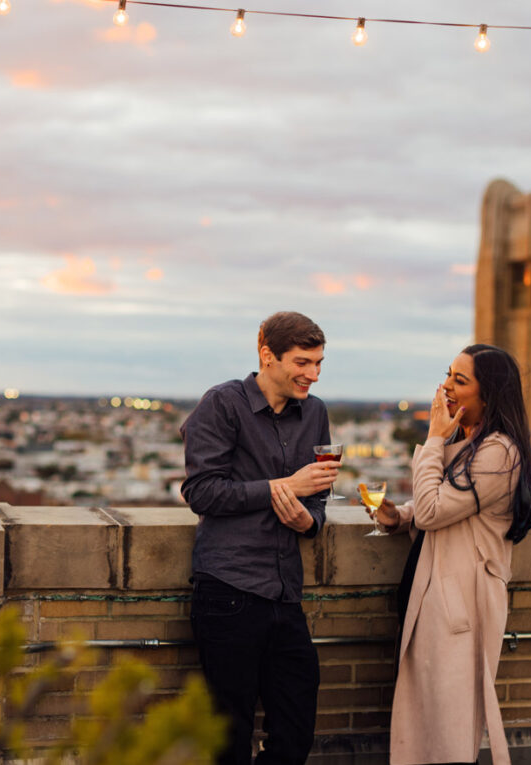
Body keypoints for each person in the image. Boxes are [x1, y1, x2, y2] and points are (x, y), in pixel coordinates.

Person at [180, 311, 341, 765]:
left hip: (285, 592)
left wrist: (308, 522)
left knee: (294, 731)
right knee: (228, 737)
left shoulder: (316, 412)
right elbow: (201, 491)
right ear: (267, 355)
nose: (313, 374)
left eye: (319, 363)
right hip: (228, 589)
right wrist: (282, 486)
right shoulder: (222, 404)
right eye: (303, 362)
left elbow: (319, 498)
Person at [368, 343, 531, 765]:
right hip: (434, 594)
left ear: (490, 394)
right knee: (426, 722)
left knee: (447, 729)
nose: (445, 386)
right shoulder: (472, 441)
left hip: (459, 603)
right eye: (448, 375)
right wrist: (399, 517)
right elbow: (446, 510)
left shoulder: (499, 451)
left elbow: (434, 509)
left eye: (460, 380)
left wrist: (431, 440)